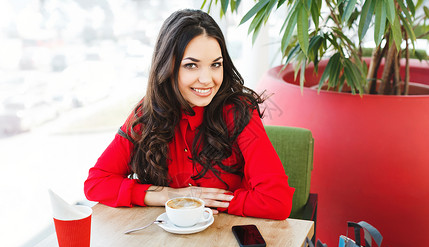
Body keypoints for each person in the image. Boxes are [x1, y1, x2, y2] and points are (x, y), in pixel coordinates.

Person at [84, 9, 294, 220]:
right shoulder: (148, 113)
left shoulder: (238, 112)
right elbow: (96, 183)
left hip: (228, 240)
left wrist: (205, 201)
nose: (207, 79)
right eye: (191, 65)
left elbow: (277, 202)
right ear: (168, 67)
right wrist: (167, 195)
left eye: (215, 65)